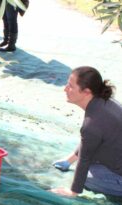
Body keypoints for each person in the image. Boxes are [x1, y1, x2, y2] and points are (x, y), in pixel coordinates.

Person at [51, 66, 122, 197]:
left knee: (87, 178)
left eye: (70, 86)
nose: (65, 89)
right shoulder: (106, 101)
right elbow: (89, 141)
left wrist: (73, 191)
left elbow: (84, 158)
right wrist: (70, 160)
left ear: (86, 92)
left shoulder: (92, 122)